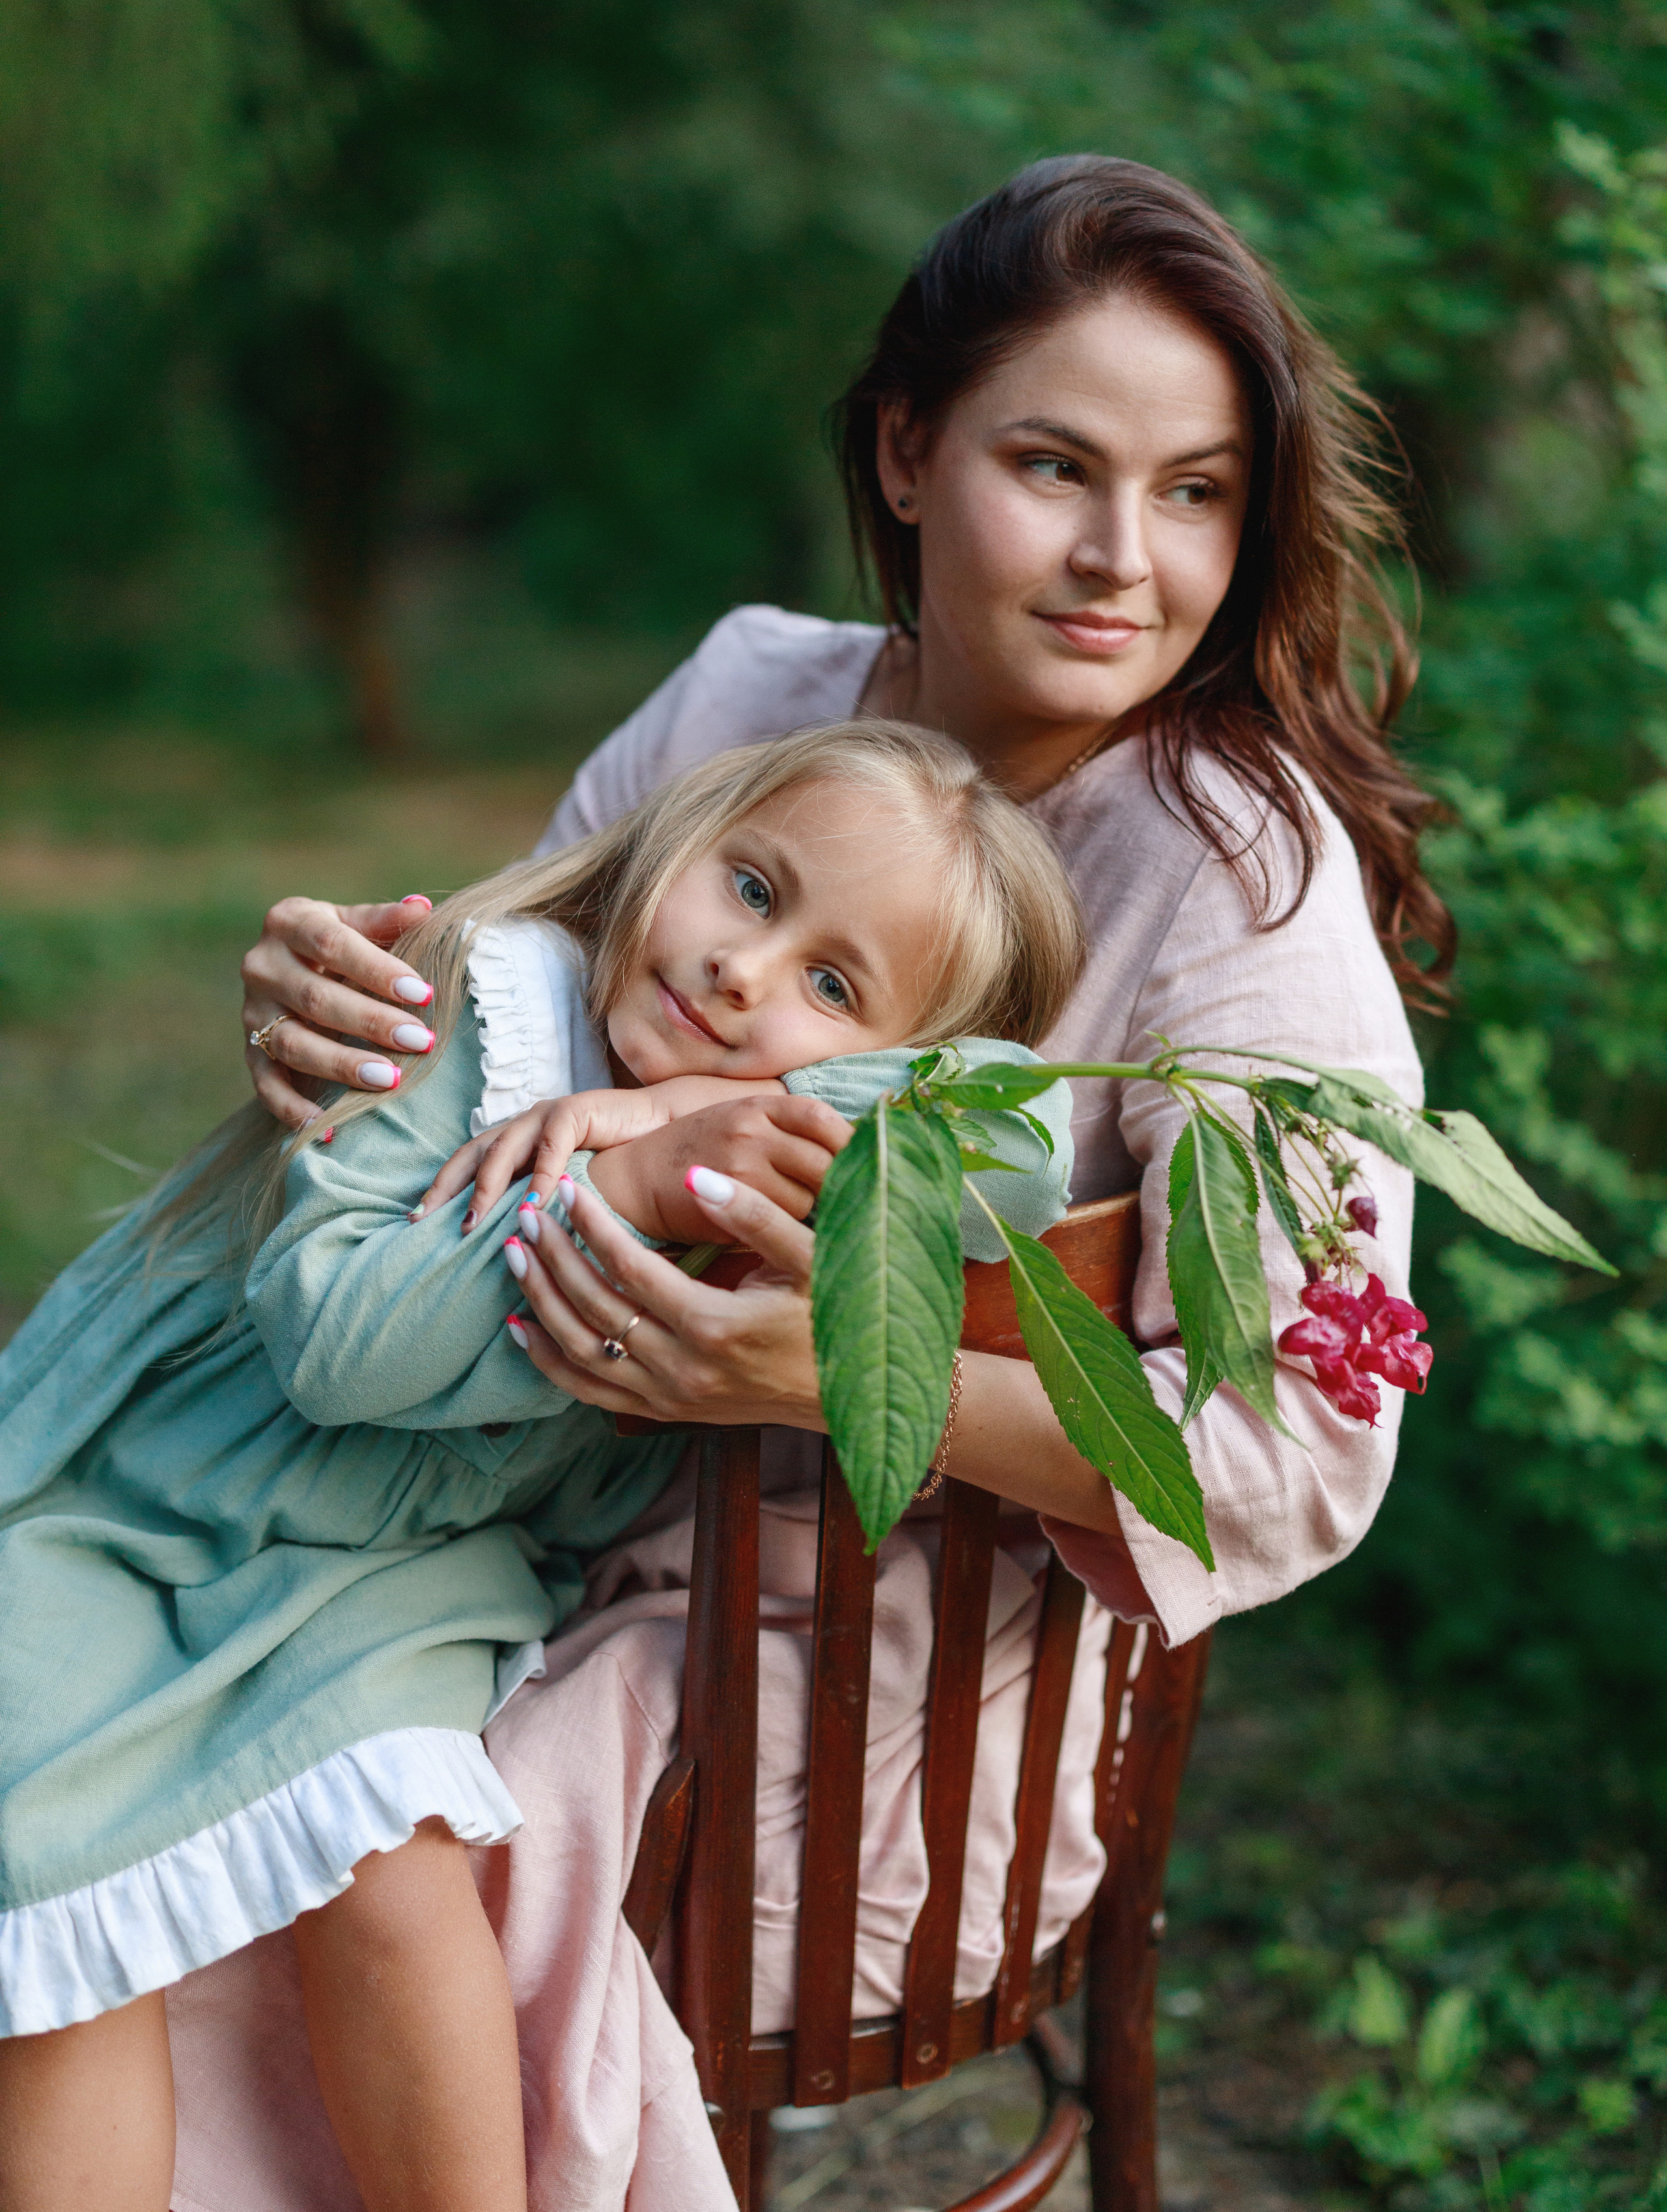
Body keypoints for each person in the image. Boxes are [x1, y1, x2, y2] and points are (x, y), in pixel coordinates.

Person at [189, 152, 1448, 2211]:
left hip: (880, 1725)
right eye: (1056, 463)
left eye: (1202, 490)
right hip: (510, 1523)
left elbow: (1304, 1446)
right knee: (138, 1771)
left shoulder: (1243, 900)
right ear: (906, 446)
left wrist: (832, 1375)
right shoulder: (753, 698)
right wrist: (337, 1025)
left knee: (291, 1842)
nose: (1127, 558)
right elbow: (512, 1024)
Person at [0, 720, 1087, 2212]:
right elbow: (339, 1347)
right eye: (752, 890)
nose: (741, 974)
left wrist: (670, 1124)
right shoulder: (480, 998)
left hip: (400, 1572)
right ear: (678, 839)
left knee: (395, 1847)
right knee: (51, 1873)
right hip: (167, 1500)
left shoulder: (764, 1129)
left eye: (832, 986)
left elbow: (1023, 1137)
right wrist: (620, 1182)